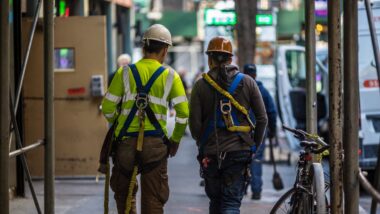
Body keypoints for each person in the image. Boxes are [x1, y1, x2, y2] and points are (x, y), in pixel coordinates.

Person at [101, 24, 189, 214]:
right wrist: (175, 140)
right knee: (153, 199)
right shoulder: (171, 76)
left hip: (125, 143)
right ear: (165, 50)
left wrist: (120, 123)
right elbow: (183, 114)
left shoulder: (124, 72)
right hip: (155, 146)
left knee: (125, 197)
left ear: (143, 47)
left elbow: (107, 107)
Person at [189, 36, 268, 213]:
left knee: (215, 202)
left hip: (211, 152)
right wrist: (254, 145)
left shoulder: (200, 86)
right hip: (239, 152)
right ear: (231, 58)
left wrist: (202, 143)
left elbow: (194, 124)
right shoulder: (248, 82)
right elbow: (262, 118)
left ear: (209, 58)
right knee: (231, 203)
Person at [243, 64, 277, 200]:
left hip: (242, 132)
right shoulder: (263, 91)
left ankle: (242, 187)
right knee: (256, 159)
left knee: (242, 158)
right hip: (259, 132)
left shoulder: (239, 89)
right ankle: (256, 191)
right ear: (256, 75)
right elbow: (272, 112)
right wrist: (272, 130)